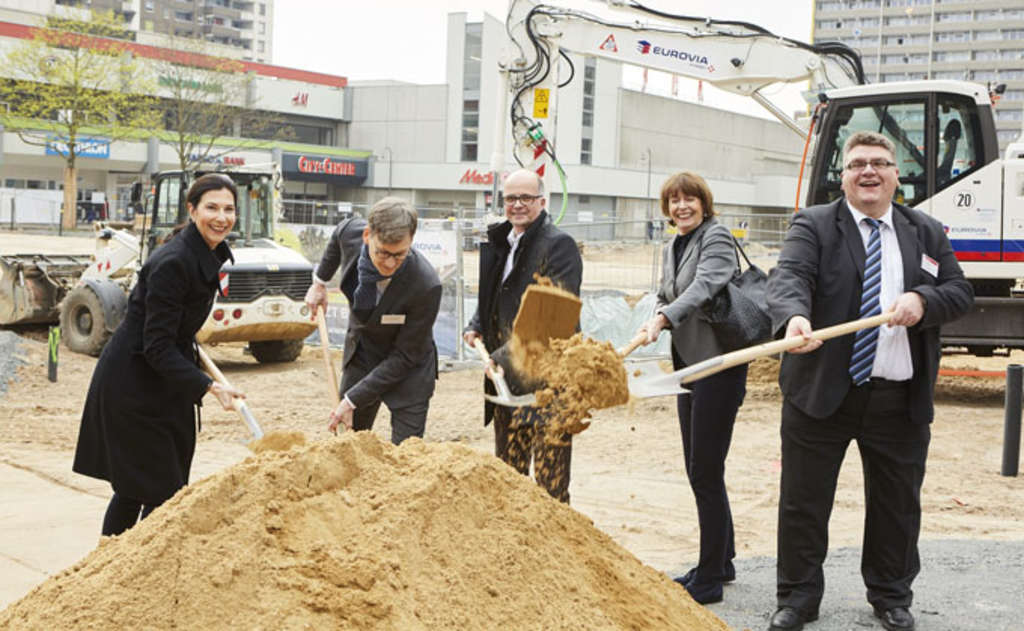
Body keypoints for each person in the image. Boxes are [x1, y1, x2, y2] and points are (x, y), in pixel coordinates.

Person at [765, 131, 973, 631]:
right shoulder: (814, 224)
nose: (869, 171)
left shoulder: (925, 231)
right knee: (803, 502)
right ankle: (798, 597)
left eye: (880, 162)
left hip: (897, 399)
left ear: (897, 175)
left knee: (896, 505)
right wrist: (794, 317)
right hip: (821, 394)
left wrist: (923, 300)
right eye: (858, 163)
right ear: (843, 176)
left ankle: (891, 595)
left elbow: (959, 290)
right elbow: (790, 277)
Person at [72, 174, 244, 536]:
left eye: (229, 209)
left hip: (165, 382)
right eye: (212, 208)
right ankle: (119, 560)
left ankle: (127, 561)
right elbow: (157, 345)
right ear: (192, 210)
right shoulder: (174, 262)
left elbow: (176, 331)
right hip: (134, 384)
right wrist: (210, 387)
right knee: (150, 488)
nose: (221, 217)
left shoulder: (205, 253)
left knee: (160, 486)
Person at [637, 171, 747, 605]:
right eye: (674, 201)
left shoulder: (716, 237)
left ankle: (710, 578)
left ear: (704, 202)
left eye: (689, 199)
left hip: (719, 365)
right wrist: (656, 312)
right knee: (701, 466)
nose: (682, 207)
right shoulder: (674, 245)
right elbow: (668, 292)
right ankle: (723, 560)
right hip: (690, 367)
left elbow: (706, 285)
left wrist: (666, 317)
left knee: (704, 469)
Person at [462, 168, 583, 504]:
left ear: (542, 202)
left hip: (548, 381)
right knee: (508, 476)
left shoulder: (558, 245)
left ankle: (556, 537)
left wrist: (499, 358)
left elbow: (554, 316)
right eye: (511, 198)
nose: (517, 204)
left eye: (526, 198)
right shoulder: (502, 241)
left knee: (550, 483)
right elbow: (493, 294)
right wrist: (477, 324)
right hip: (507, 381)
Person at [305, 197, 442, 443]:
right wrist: (320, 283)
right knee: (350, 445)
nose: (389, 264)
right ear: (368, 235)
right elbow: (338, 235)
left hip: (409, 368)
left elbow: (405, 356)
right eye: (383, 253)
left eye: (399, 255)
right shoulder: (351, 234)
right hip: (363, 353)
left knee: (407, 452)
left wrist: (352, 399)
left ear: (411, 241)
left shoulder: (426, 284)